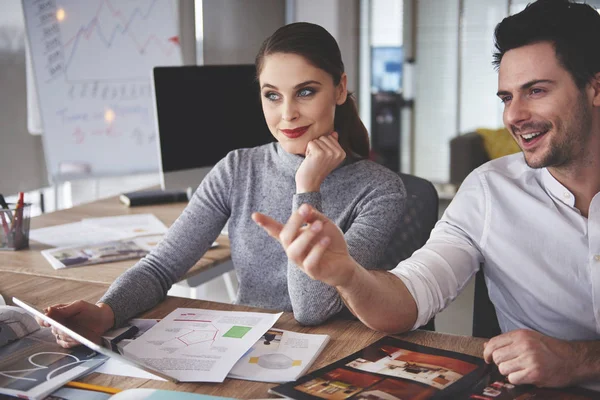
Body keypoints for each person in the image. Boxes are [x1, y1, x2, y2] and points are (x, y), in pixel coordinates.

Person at [253, 0, 600, 389]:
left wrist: (577, 360)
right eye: (506, 97)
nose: (513, 116)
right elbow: (411, 297)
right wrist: (349, 276)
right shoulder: (488, 190)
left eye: (535, 91)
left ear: (595, 88)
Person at [41, 22, 406, 347]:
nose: (287, 113)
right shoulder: (238, 168)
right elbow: (161, 267)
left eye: (306, 92)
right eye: (272, 95)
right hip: (241, 345)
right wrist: (106, 312)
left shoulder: (380, 189)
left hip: (332, 352)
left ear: (340, 89)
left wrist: (306, 187)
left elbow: (311, 310)